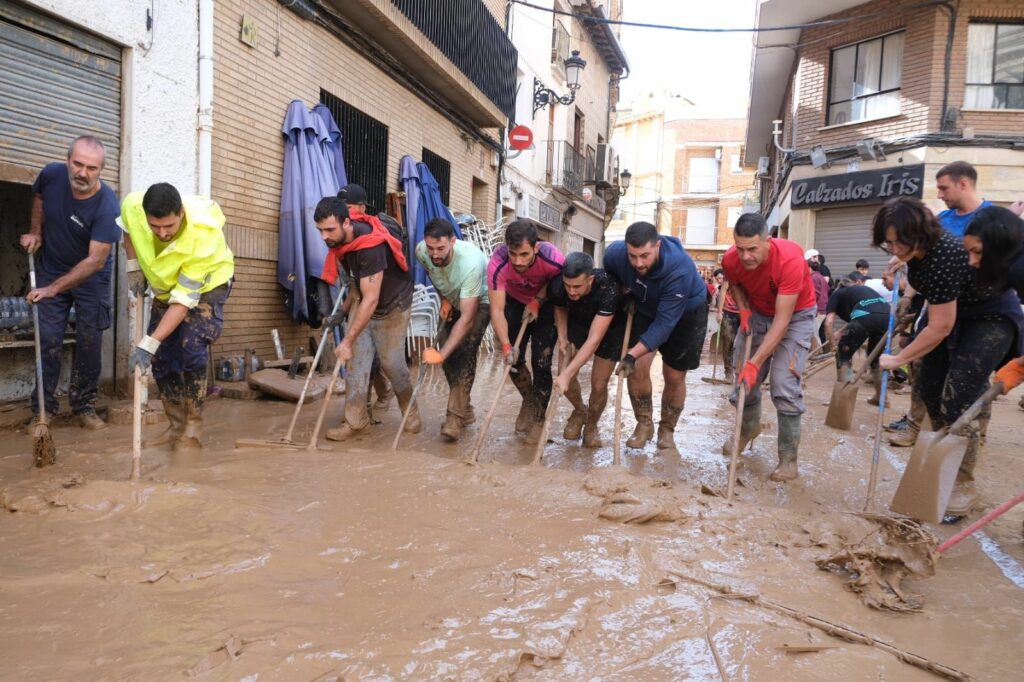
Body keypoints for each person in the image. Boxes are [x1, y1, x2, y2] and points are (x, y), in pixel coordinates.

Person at [875, 198, 1023, 516]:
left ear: (919, 233)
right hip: (957, 313)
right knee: (929, 388)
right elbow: (937, 312)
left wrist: (898, 359)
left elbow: (940, 327)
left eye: (900, 242)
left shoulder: (947, 256)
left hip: (990, 316)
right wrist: (910, 296)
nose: (895, 249)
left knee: (961, 395)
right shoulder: (918, 254)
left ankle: (963, 482)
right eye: (889, 243)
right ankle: (946, 453)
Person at [121, 183, 235, 452]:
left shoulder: (203, 237)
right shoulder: (132, 206)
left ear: (181, 213)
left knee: (190, 346)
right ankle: (175, 426)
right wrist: (133, 265)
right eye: (155, 226)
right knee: (161, 357)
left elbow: (183, 302)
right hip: (166, 284)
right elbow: (127, 228)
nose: (161, 233)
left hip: (208, 285)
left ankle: (193, 426)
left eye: (169, 226)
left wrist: (147, 343)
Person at [22, 135, 121, 430]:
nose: (82, 173)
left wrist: (52, 289)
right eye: (77, 164)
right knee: (48, 337)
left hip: (91, 276)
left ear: (100, 170)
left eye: (91, 168)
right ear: (68, 161)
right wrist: (35, 231)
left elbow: (95, 260)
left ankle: (84, 405)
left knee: (89, 340)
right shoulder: (51, 175)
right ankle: (43, 409)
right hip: (51, 266)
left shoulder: (107, 206)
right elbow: (39, 197)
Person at [314, 196, 419, 442]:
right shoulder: (341, 244)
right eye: (320, 230)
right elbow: (355, 286)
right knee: (357, 365)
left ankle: (410, 412)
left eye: (329, 229)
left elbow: (371, 299)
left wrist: (347, 340)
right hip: (366, 301)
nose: (324, 236)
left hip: (393, 304)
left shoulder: (369, 245)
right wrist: (342, 312)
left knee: (391, 362)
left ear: (347, 223)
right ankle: (356, 420)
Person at [722, 213, 818, 482]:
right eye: (740, 249)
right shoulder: (731, 259)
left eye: (752, 249)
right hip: (756, 311)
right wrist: (743, 310)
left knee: (783, 382)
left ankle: (788, 459)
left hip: (795, 315)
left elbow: (782, 321)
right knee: (742, 380)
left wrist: (756, 362)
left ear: (768, 241)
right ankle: (748, 429)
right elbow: (737, 284)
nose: (745, 256)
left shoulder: (789, 261)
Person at [604, 221, 708, 454]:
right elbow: (609, 271)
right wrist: (624, 291)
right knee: (638, 368)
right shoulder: (616, 253)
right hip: (646, 305)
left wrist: (629, 354)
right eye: (633, 256)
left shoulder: (679, 268)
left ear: (658, 246)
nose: (639, 263)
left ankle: (667, 429)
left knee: (673, 375)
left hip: (685, 314)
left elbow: (664, 325)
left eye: (645, 256)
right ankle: (644, 424)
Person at [487, 219, 564, 443]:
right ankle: (528, 399)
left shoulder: (552, 258)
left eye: (524, 255)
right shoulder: (497, 263)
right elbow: (497, 309)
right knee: (512, 361)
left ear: (535, 248)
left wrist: (538, 300)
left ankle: (539, 418)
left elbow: (560, 285)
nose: (518, 261)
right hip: (513, 303)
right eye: (513, 254)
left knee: (541, 362)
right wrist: (505, 345)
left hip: (546, 305)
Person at [414, 217, 490, 442]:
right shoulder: (421, 252)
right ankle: (465, 409)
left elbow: (467, 319)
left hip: (480, 301)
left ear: (453, 242)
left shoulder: (472, 263)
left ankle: (454, 418)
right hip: (453, 297)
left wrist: (440, 354)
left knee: (465, 351)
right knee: (448, 358)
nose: (435, 254)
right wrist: (444, 298)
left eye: (441, 248)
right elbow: (434, 273)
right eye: (431, 248)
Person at [550, 252, 628, 448]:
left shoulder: (608, 287)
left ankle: (592, 425)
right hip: (577, 323)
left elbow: (594, 339)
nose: (572, 291)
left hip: (609, 329)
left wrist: (567, 374)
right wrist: (562, 335)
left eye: (577, 286)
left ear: (590, 279)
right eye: (568, 286)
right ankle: (580, 410)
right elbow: (559, 307)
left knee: (599, 384)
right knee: (562, 373)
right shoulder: (559, 285)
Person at [338, 183, 395, 410]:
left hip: (382, 303)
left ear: (361, 209)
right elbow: (353, 282)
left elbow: (370, 289)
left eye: (349, 208)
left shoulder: (370, 236)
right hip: (360, 297)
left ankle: (375, 400)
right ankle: (363, 409)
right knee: (362, 356)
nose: (345, 215)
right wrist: (342, 311)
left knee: (372, 355)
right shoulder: (342, 235)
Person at [824, 281, 891, 405]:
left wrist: (833, 345)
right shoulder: (861, 291)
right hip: (887, 317)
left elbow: (828, 322)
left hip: (866, 317)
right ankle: (882, 398)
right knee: (875, 359)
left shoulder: (836, 294)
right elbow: (864, 314)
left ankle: (843, 399)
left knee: (843, 356)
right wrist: (839, 332)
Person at [934, 161, 992, 238]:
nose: (939, 195)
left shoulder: (994, 219)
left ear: (963, 184)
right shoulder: (941, 218)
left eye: (944, 188)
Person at [715, 273, 741, 383]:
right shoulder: (731, 273)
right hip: (729, 312)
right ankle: (728, 373)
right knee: (728, 342)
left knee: (743, 344)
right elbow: (723, 292)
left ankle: (741, 372)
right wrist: (719, 311)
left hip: (746, 313)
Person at [809, 259, 829, 351]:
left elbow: (814, 294)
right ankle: (818, 352)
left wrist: (814, 308)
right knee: (815, 332)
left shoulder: (813, 278)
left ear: (809, 268)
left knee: (814, 333)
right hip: (823, 308)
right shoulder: (821, 277)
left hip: (818, 309)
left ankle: (818, 353)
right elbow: (828, 289)